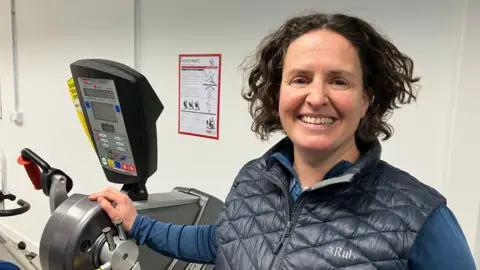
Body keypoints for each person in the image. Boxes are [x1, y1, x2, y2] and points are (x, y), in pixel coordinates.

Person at [89, 12, 477, 270]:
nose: (317, 97)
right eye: (300, 79)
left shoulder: (419, 218)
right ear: (278, 93)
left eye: (339, 81)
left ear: (367, 99)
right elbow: (220, 241)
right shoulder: (255, 178)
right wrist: (136, 222)